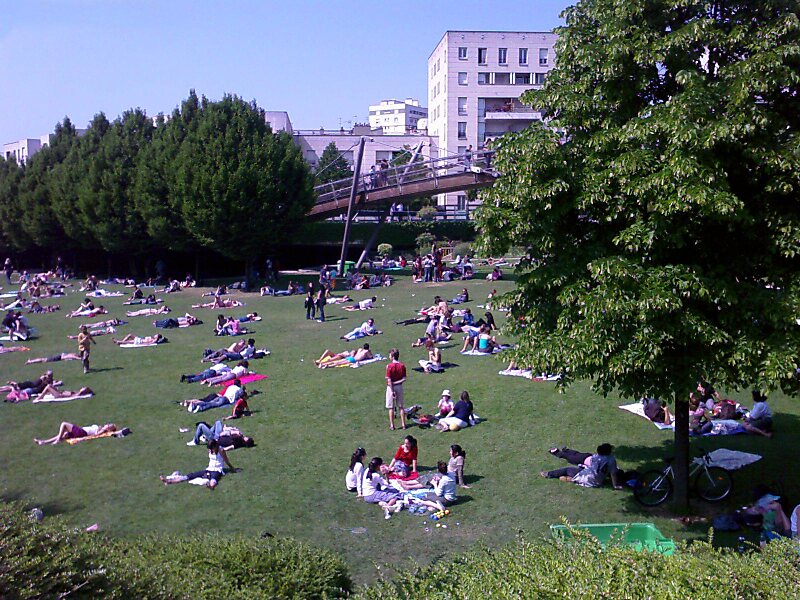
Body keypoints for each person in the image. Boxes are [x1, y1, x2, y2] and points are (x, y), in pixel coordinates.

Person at [159, 440, 237, 490]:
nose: (210, 450)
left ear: (215, 446)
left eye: (211, 448)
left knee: (214, 478)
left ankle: (211, 486)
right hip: (209, 469)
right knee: (190, 476)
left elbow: (227, 461)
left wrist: (232, 469)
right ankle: (169, 481)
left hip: (218, 470)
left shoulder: (221, 450)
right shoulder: (210, 450)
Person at [540, 444, 623, 489]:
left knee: (567, 469)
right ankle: (569, 478)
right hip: (597, 480)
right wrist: (615, 485)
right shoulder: (611, 460)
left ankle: (549, 474)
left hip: (588, 477)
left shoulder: (596, 457)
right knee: (578, 463)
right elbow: (613, 473)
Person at [187, 419, 255, 449]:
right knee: (218, 422)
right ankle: (205, 437)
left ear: (246, 441)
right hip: (219, 435)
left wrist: (223, 449)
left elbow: (231, 446)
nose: (247, 437)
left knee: (201, 425)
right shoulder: (241, 437)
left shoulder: (239, 441)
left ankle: (195, 441)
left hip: (217, 438)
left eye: (247, 438)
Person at [35, 422, 115, 445]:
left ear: (108, 429)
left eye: (109, 425)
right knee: (63, 434)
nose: (107, 424)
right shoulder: (101, 427)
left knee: (64, 424)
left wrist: (104, 430)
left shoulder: (102, 431)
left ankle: (57, 440)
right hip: (81, 431)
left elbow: (96, 435)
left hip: (82, 432)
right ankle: (44, 442)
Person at [385, 348, 407, 430]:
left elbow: (389, 380)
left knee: (391, 407)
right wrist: (397, 382)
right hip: (399, 386)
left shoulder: (389, 366)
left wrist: (392, 389)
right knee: (401, 406)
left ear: (392, 356)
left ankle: (392, 425)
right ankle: (403, 424)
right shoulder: (402, 366)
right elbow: (404, 378)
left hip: (391, 388)